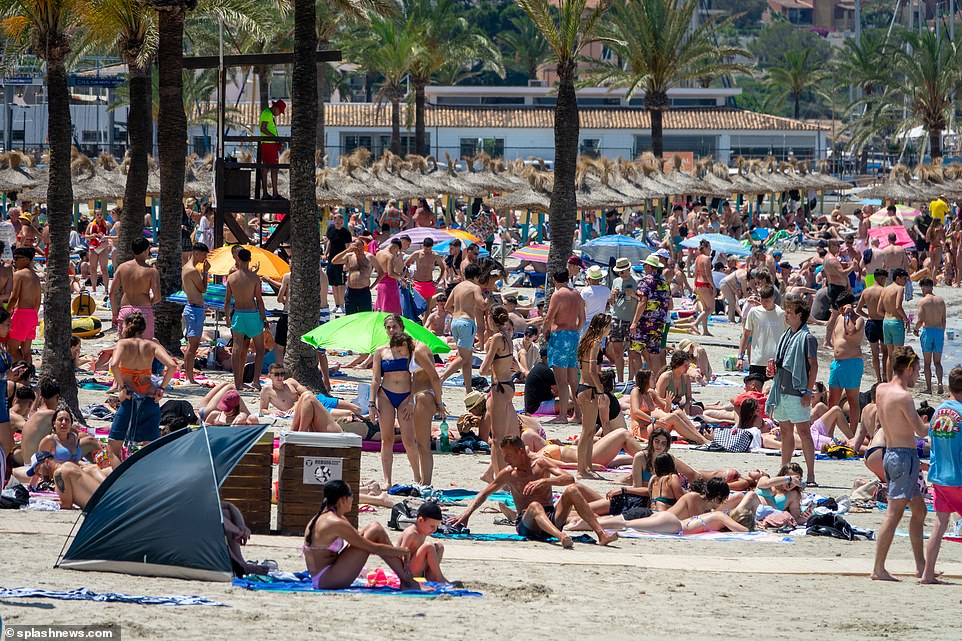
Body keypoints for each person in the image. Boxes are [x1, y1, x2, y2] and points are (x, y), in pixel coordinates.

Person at [448, 435, 618, 548]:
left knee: (572, 490)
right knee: (535, 505)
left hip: (551, 517)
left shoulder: (541, 464)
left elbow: (569, 479)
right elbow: (484, 493)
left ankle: (601, 534)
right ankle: (560, 537)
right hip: (526, 523)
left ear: (520, 452)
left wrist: (545, 480)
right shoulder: (509, 473)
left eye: (508, 455)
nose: (505, 460)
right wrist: (466, 515)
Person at [872, 346, 928, 582]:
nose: (917, 375)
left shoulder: (881, 389)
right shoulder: (903, 396)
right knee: (893, 514)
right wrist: (935, 423)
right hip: (903, 457)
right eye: (916, 370)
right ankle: (878, 569)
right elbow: (920, 431)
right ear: (907, 369)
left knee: (920, 509)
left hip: (893, 453)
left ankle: (922, 566)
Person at [302, 480, 418, 590]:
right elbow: (371, 547)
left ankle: (407, 581)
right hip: (326, 580)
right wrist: (402, 551)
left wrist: (395, 550)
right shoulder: (335, 522)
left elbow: (364, 542)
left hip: (326, 575)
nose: (353, 499)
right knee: (376, 530)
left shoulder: (332, 517)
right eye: (351, 495)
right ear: (342, 500)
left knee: (374, 528)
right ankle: (408, 582)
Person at [107, 312, 177, 469]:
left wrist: (121, 386)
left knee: (113, 448)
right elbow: (172, 366)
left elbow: (113, 365)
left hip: (130, 397)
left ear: (127, 327)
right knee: (149, 449)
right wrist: (162, 388)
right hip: (149, 396)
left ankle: (119, 485)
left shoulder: (122, 344)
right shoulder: (152, 345)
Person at [766, 294, 819, 487]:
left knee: (804, 432)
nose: (786, 315)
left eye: (789, 312)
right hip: (781, 389)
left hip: (797, 391)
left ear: (799, 315)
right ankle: (784, 470)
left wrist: (808, 390)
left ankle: (811, 474)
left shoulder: (807, 338)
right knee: (785, 432)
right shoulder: (786, 335)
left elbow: (814, 366)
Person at [921, 366, 962, 584]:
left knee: (939, 525)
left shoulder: (938, 413)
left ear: (949, 386)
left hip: (939, 477)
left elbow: (932, 443)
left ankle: (928, 573)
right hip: (959, 476)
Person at [480, 306, 521, 473]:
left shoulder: (497, 338)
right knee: (509, 433)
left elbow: (483, 369)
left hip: (499, 388)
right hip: (508, 385)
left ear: (491, 319)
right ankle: (492, 474)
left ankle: (499, 478)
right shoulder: (507, 336)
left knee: (497, 440)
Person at [372, 333, 416, 487]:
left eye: (394, 326)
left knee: (409, 440)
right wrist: (371, 403)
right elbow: (376, 378)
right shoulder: (380, 351)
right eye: (388, 327)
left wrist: (412, 399)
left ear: (400, 328)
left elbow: (416, 377)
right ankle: (387, 480)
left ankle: (417, 478)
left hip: (405, 396)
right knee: (387, 439)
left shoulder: (409, 349)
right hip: (386, 395)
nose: (391, 330)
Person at [438, 263, 485, 395]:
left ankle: (468, 389)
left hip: (455, 321)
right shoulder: (475, 287)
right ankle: (441, 378)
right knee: (463, 358)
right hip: (466, 322)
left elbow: (447, 306)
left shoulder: (457, 287)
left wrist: (457, 313)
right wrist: (489, 295)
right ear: (477, 276)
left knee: (467, 357)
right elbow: (482, 304)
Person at [225, 248, 267, 391]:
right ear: (249, 259)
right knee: (260, 350)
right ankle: (256, 380)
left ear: (238, 259)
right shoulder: (255, 278)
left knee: (236, 349)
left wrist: (227, 318)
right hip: (252, 314)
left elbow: (227, 301)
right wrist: (264, 319)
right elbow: (259, 300)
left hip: (238, 314)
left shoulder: (231, 277)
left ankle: (237, 383)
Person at [575, 314, 612, 479]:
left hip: (584, 387)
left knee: (589, 431)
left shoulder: (586, 340)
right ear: (602, 326)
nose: (610, 329)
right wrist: (601, 390)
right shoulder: (595, 343)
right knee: (587, 431)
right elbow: (591, 371)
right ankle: (581, 469)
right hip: (589, 389)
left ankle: (587, 466)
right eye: (609, 326)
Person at [630, 369, 708, 444]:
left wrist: (668, 403)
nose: (654, 379)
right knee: (673, 417)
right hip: (641, 430)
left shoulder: (651, 392)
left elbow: (666, 410)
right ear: (645, 380)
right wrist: (653, 420)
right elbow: (636, 411)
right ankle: (701, 440)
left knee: (678, 412)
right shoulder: (636, 392)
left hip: (652, 426)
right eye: (652, 377)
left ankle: (699, 436)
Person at [827, 294, 864, 439]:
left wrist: (849, 314)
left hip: (852, 363)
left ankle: (852, 434)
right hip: (838, 363)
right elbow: (834, 336)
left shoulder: (858, 320)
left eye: (842, 307)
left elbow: (851, 332)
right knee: (832, 399)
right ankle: (829, 432)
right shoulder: (839, 318)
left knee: (852, 399)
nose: (840, 310)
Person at [110, 237, 160, 339]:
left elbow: (112, 293)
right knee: (145, 346)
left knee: (125, 346)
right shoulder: (151, 271)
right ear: (146, 250)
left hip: (125, 309)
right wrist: (149, 302)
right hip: (143, 310)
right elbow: (157, 296)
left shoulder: (122, 267)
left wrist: (114, 313)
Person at [630, 255, 671, 374]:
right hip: (659, 322)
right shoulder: (664, 282)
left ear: (648, 266)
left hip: (644, 322)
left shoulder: (645, 281)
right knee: (654, 353)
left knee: (634, 351)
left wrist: (634, 322)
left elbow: (643, 302)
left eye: (644, 265)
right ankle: (657, 382)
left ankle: (641, 381)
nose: (643, 267)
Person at [27, 452, 107, 510]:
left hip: (102, 510)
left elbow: (66, 505)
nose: (37, 475)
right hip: (106, 505)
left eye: (37, 470)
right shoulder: (68, 466)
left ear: (47, 462)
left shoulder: (59, 473)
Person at [737, 285, 785, 380]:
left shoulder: (782, 314)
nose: (763, 303)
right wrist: (740, 357)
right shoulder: (754, 312)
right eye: (762, 300)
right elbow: (745, 335)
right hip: (757, 361)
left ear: (773, 298)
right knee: (754, 392)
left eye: (767, 300)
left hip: (776, 362)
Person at [398, 502, 450, 583]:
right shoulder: (411, 533)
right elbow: (400, 553)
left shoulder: (422, 530)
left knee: (439, 546)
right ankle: (439, 577)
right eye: (432, 526)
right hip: (406, 571)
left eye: (437, 526)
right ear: (421, 520)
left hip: (417, 569)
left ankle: (431, 577)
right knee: (428, 546)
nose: (435, 530)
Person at [6, 247, 41, 366]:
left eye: (17, 258)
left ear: (26, 259)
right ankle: (28, 377)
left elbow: (14, 297)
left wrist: (6, 313)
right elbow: (38, 301)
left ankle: (21, 373)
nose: (14, 261)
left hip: (21, 313)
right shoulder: (35, 277)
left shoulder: (19, 274)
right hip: (32, 315)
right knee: (27, 351)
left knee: (11, 349)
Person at [181, 242, 209, 384]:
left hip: (192, 307)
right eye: (204, 254)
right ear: (197, 253)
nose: (205, 257)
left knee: (191, 346)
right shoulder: (192, 270)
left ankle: (189, 375)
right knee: (192, 347)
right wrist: (205, 272)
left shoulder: (185, 267)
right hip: (195, 309)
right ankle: (190, 377)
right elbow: (203, 289)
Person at [607, 257, 639, 382]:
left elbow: (643, 301)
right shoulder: (616, 281)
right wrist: (612, 295)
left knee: (632, 352)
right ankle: (620, 380)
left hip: (630, 320)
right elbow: (611, 302)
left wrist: (633, 295)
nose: (622, 274)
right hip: (617, 318)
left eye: (623, 271)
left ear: (629, 269)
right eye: (619, 272)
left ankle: (630, 379)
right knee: (617, 352)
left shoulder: (637, 281)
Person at [913, 277, 946, 395]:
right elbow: (944, 320)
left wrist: (915, 330)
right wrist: (942, 333)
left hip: (928, 331)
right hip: (938, 332)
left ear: (923, 287)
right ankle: (940, 383)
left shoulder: (922, 301)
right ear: (932, 287)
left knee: (927, 363)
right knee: (938, 362)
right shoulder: (941, 301)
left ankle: (929, 388)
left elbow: (920, 320)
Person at [856, 268, 888, 383]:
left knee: (875, 353)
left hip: (871, 323)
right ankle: (885, 375)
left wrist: (868, 315)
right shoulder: (884, 291)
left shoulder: (866, 291)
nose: (885, 281)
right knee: (885, 352)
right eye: (884, 279)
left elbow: (858, 309)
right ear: (881, 278)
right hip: (882, 322)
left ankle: (878, 378)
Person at [821, 239, 854, 349]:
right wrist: (852, 267)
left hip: (835, 287)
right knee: (835, 314)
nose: (839, 247)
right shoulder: (832, 260)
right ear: (831, 246)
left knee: (838, 314)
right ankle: (827, 340)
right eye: (837, 245)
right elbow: (843, 273)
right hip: (836, 288)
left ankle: (831, 339)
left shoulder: (827, 258)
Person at [877, 267, 909, 381]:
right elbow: (898, 306)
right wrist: (905, 319)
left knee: (890, 355)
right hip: (896, 322)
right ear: (897, 278)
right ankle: (897, 380)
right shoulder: (899, 288)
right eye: (904, 279)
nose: (905, 281)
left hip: (886, 322)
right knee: (899, 355)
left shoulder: (885, 289)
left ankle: (890, 379)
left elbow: (879, 310)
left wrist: (887, 316)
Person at [332, 238, 375, 315]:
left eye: (360, 246)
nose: (359, 249)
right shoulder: (349, 256)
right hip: (351, 291)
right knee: (350, 316)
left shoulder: (369, 257)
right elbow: (334, 261)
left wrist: (372, 286)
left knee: (365, 316)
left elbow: (381, 272)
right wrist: (347, 250)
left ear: (363, 246)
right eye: (356, 246)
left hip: (364, 291)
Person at [324, 213, 353, 314]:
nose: (338, 224)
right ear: (334, 221)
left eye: (340, 222)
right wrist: (325, 254)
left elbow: (349, 248)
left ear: (343, 222)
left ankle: (342, 304)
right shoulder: (331, 229)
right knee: (333, 284)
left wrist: (347, 262)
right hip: (331, 260)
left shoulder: (346, 233)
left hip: (341, 260)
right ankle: (336, 305)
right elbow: (329, 242)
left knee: (341, 284)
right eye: (337, 222)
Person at [406, 236, 443, 312]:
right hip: (417, 283)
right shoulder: (417, 254)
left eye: (429, 249)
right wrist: (409, 279)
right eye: (426, 249)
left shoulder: (435, 255)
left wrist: (438, 280)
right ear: (423, 246)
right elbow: (405, 264)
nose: (428, 251)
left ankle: (425, 323)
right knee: (416, 308)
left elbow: (442, 268)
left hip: (429, 283)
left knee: (427, 308)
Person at [259, 98, 286, 199]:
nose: (279, 114)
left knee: (271, 168)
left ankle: (271, 193)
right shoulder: (267, 114)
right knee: (272, 168)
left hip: (270, 144)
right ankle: (272, 194)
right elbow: (263, 128)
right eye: (280, 111)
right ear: (276, 108)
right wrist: (275, 138)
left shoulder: (268, 114)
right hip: (269, 144)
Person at [372, 238, 405, 314]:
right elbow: (390, 273)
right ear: (395, 247)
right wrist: (401, 278)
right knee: (391, 310)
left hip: (381, 283)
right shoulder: (390, 256)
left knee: (381, 307)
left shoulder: (378, 253)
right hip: (389, 285)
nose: (395, 253)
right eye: (396, 251)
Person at [692, 239, 715, 336]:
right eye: (709, 248)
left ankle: (705, 330)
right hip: (705, 284)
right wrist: (713, 287)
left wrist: (694, 286)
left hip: (698, 284)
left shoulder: (698, 258)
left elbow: (696, 274)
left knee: (705, 309)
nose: (710, 250)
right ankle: (695, 323)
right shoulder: (707, 259)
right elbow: (708, 275)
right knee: (711, 308)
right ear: (705, 248)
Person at [84, 209, 110, 293]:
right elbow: (85, 236)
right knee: (93, 268)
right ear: (95, 215)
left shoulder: (107, 224)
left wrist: (105, 241)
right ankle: (94, 288)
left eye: (101, 214)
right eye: (97, 214)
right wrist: (92, 236)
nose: (99, 216)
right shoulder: (91, 225)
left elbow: (109, 236)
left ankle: (106, 289)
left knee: (104, 269)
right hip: (93, 248)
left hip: (103, 247)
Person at [580, 265, 610, 333]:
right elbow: (608, 305)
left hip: (588, 321)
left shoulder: (585, 291)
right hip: (601, 321)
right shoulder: (606, 290)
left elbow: (581, 307)